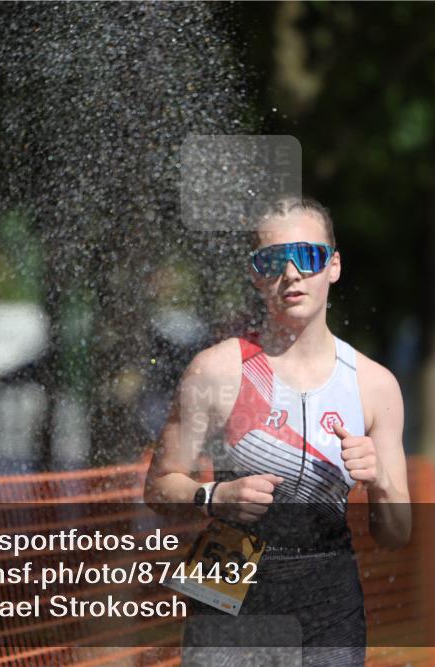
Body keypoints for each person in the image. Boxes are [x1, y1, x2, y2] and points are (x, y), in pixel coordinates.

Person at [144, 196, 412, 666]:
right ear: (255, 275)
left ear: (333, 266)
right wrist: (213, 496)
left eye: (307, 257)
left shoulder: (374, 385)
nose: (290, 274)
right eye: (271, 260)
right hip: (227, 563)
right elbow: (158, 485)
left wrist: (381, 483)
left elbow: (396, 534)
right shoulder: (217, 369)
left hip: (327, 578)